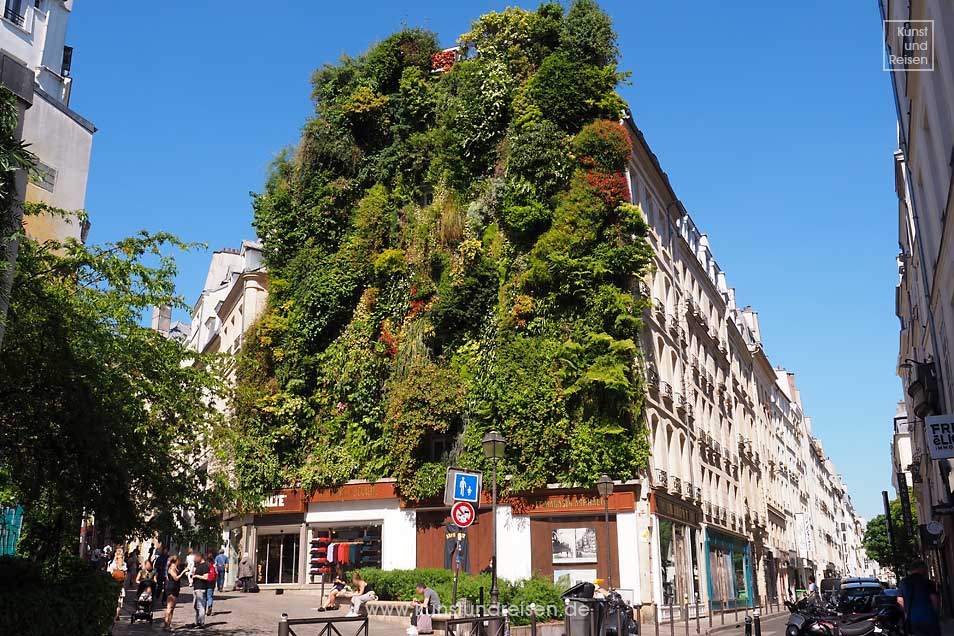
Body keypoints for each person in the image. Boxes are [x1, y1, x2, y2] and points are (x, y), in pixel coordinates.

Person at [898, 560, 941, 636]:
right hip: (930, 617)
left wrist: (906, 614)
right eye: (925, 568)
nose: (926, 571)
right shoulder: (927, 582)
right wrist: (936, 612)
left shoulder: (904, 582)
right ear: (921, 568)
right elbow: (934, 599)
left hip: (914, 619)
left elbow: (900, 601)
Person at [164, 555, 185, 631]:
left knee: (172, 608)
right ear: (176, 561)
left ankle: (169, 624)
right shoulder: (172, 568)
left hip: (175, 588)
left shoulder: (175, 567)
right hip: (171, 588)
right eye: (179, 560)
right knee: (169, 607)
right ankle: (166, 624)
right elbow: (175, 578)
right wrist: (183, 572)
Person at [107, 551, 128, 621]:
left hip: (113, 584)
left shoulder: (112, 564)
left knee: (114, 600)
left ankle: (113, 615)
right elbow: (126, 577)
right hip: (121, 585)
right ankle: (117, 615)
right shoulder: (124, 565)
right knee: (119, 602)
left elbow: (109, 574)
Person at [192, 551, 211, 627]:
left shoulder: (205, 565)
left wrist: (196, 576)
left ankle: (201, 622)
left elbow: (206, 577)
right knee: (195, 606)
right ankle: (197, 622)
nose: (194, 559)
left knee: (201, 606)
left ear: (199, 557)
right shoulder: (198, 565)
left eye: (195, 557)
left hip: (201, 588)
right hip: (196, 587)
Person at [205, 552, 217, 616]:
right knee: (210, 596)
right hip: (212, 583)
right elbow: (216, 574)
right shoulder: (213, 566)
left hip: (205, 582)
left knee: (204, 597)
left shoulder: (205, 565)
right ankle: (210, 606)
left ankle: (203, 609)